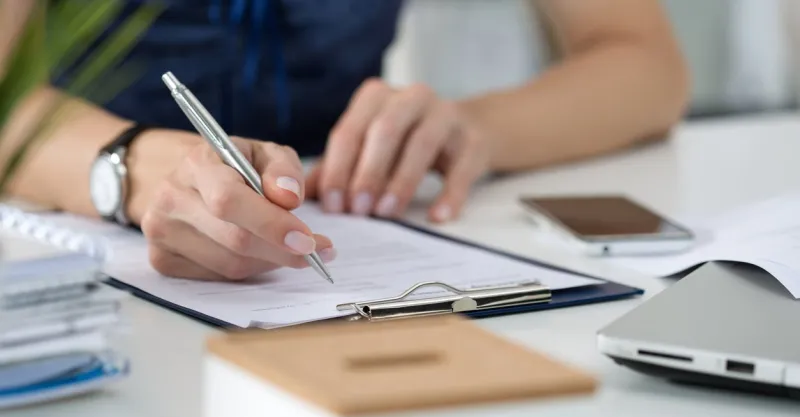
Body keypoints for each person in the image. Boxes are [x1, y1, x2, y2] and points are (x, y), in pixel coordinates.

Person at [0, 0, 689, 281]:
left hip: (344, 217)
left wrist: (472, 130)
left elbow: (646, 64)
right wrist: (135, 171)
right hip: (78, 247)